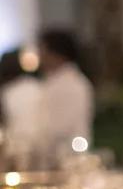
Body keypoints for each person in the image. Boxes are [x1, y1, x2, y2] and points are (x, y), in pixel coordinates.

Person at [36, 28, 94, 158]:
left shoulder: (72, 84)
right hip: (53, 157)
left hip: (67, 158)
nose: (39, 55)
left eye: (42, 49)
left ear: (57, 53)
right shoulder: (53, 81)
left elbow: (59, 129)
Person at [0, 49, 40, 160]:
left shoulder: (6, 91)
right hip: (40, 143)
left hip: (15, 146)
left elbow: (5, 122)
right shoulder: (36, 85)